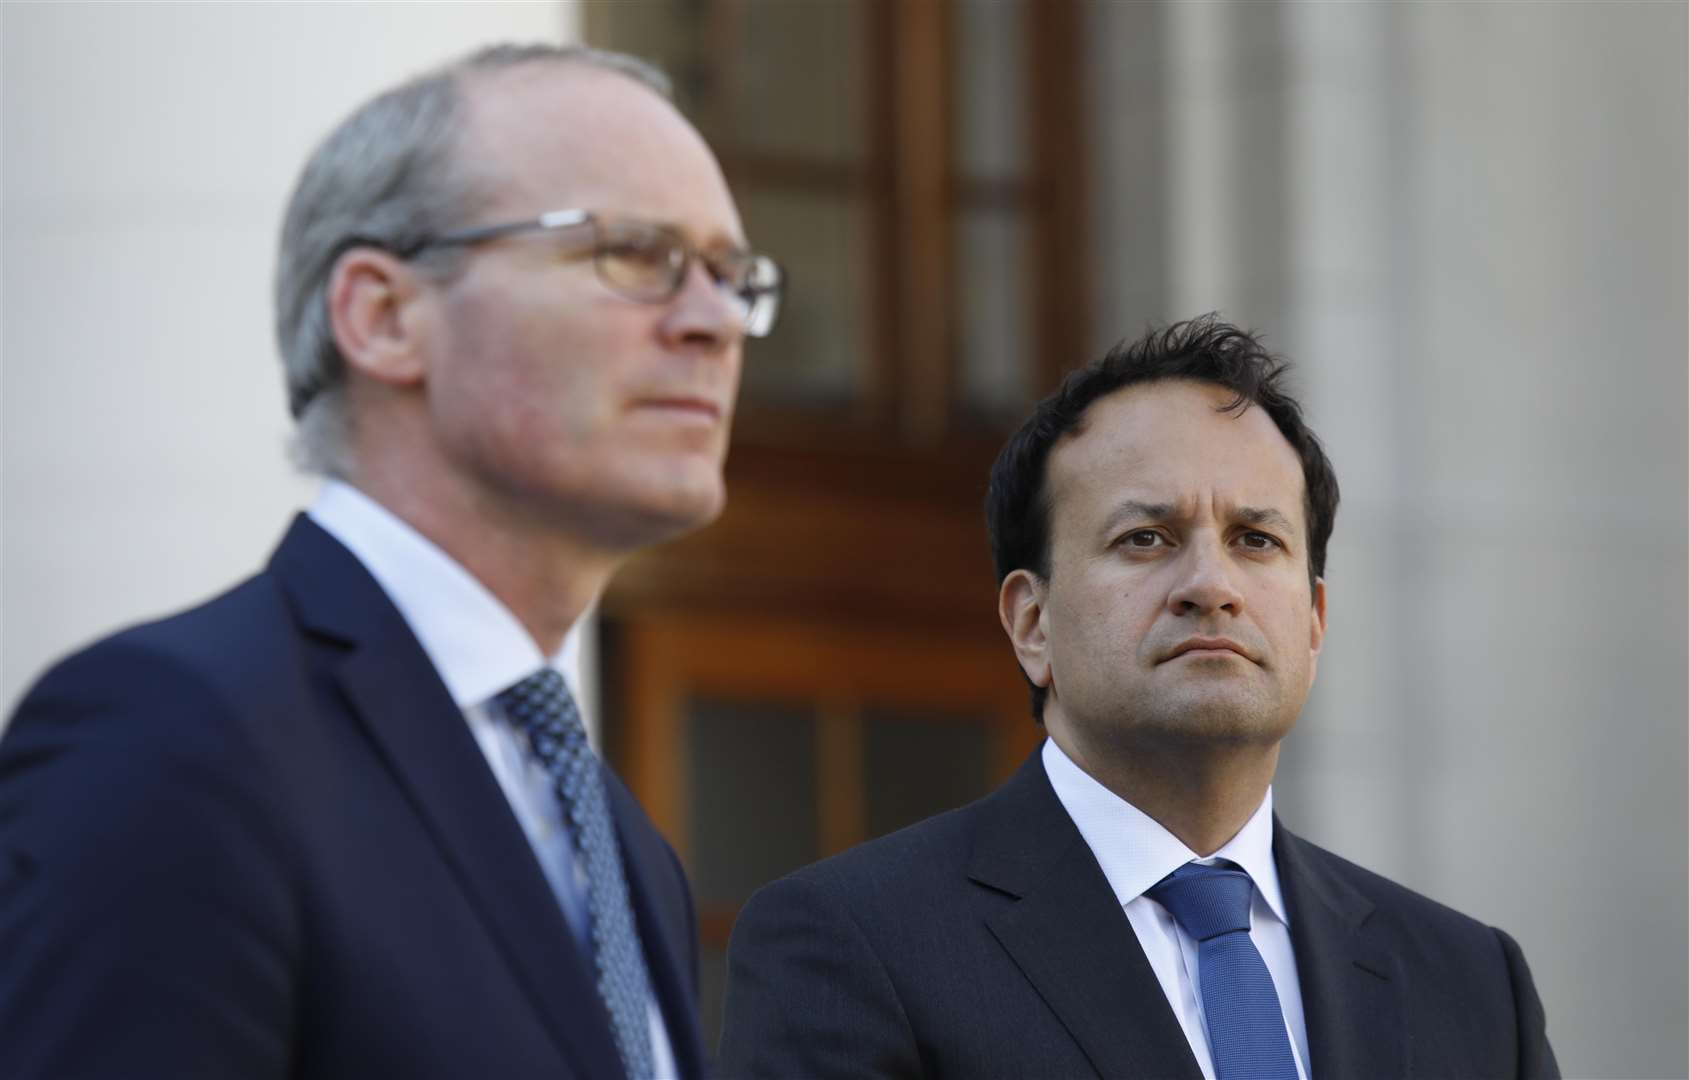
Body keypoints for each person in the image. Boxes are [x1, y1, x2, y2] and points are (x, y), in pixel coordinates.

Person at [0, 43, 781, 1080]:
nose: (714, 323)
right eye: (635, 254)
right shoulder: (175, 732)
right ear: (382, 315)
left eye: (734, 279)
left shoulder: (628, 848)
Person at [717, 316, 1557, 1079]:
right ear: (1031, 622)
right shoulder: (854, 944)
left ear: (1312, 619)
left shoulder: (1470, 983)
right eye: (1145, 538)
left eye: (1255, 540)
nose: (1209, 585)